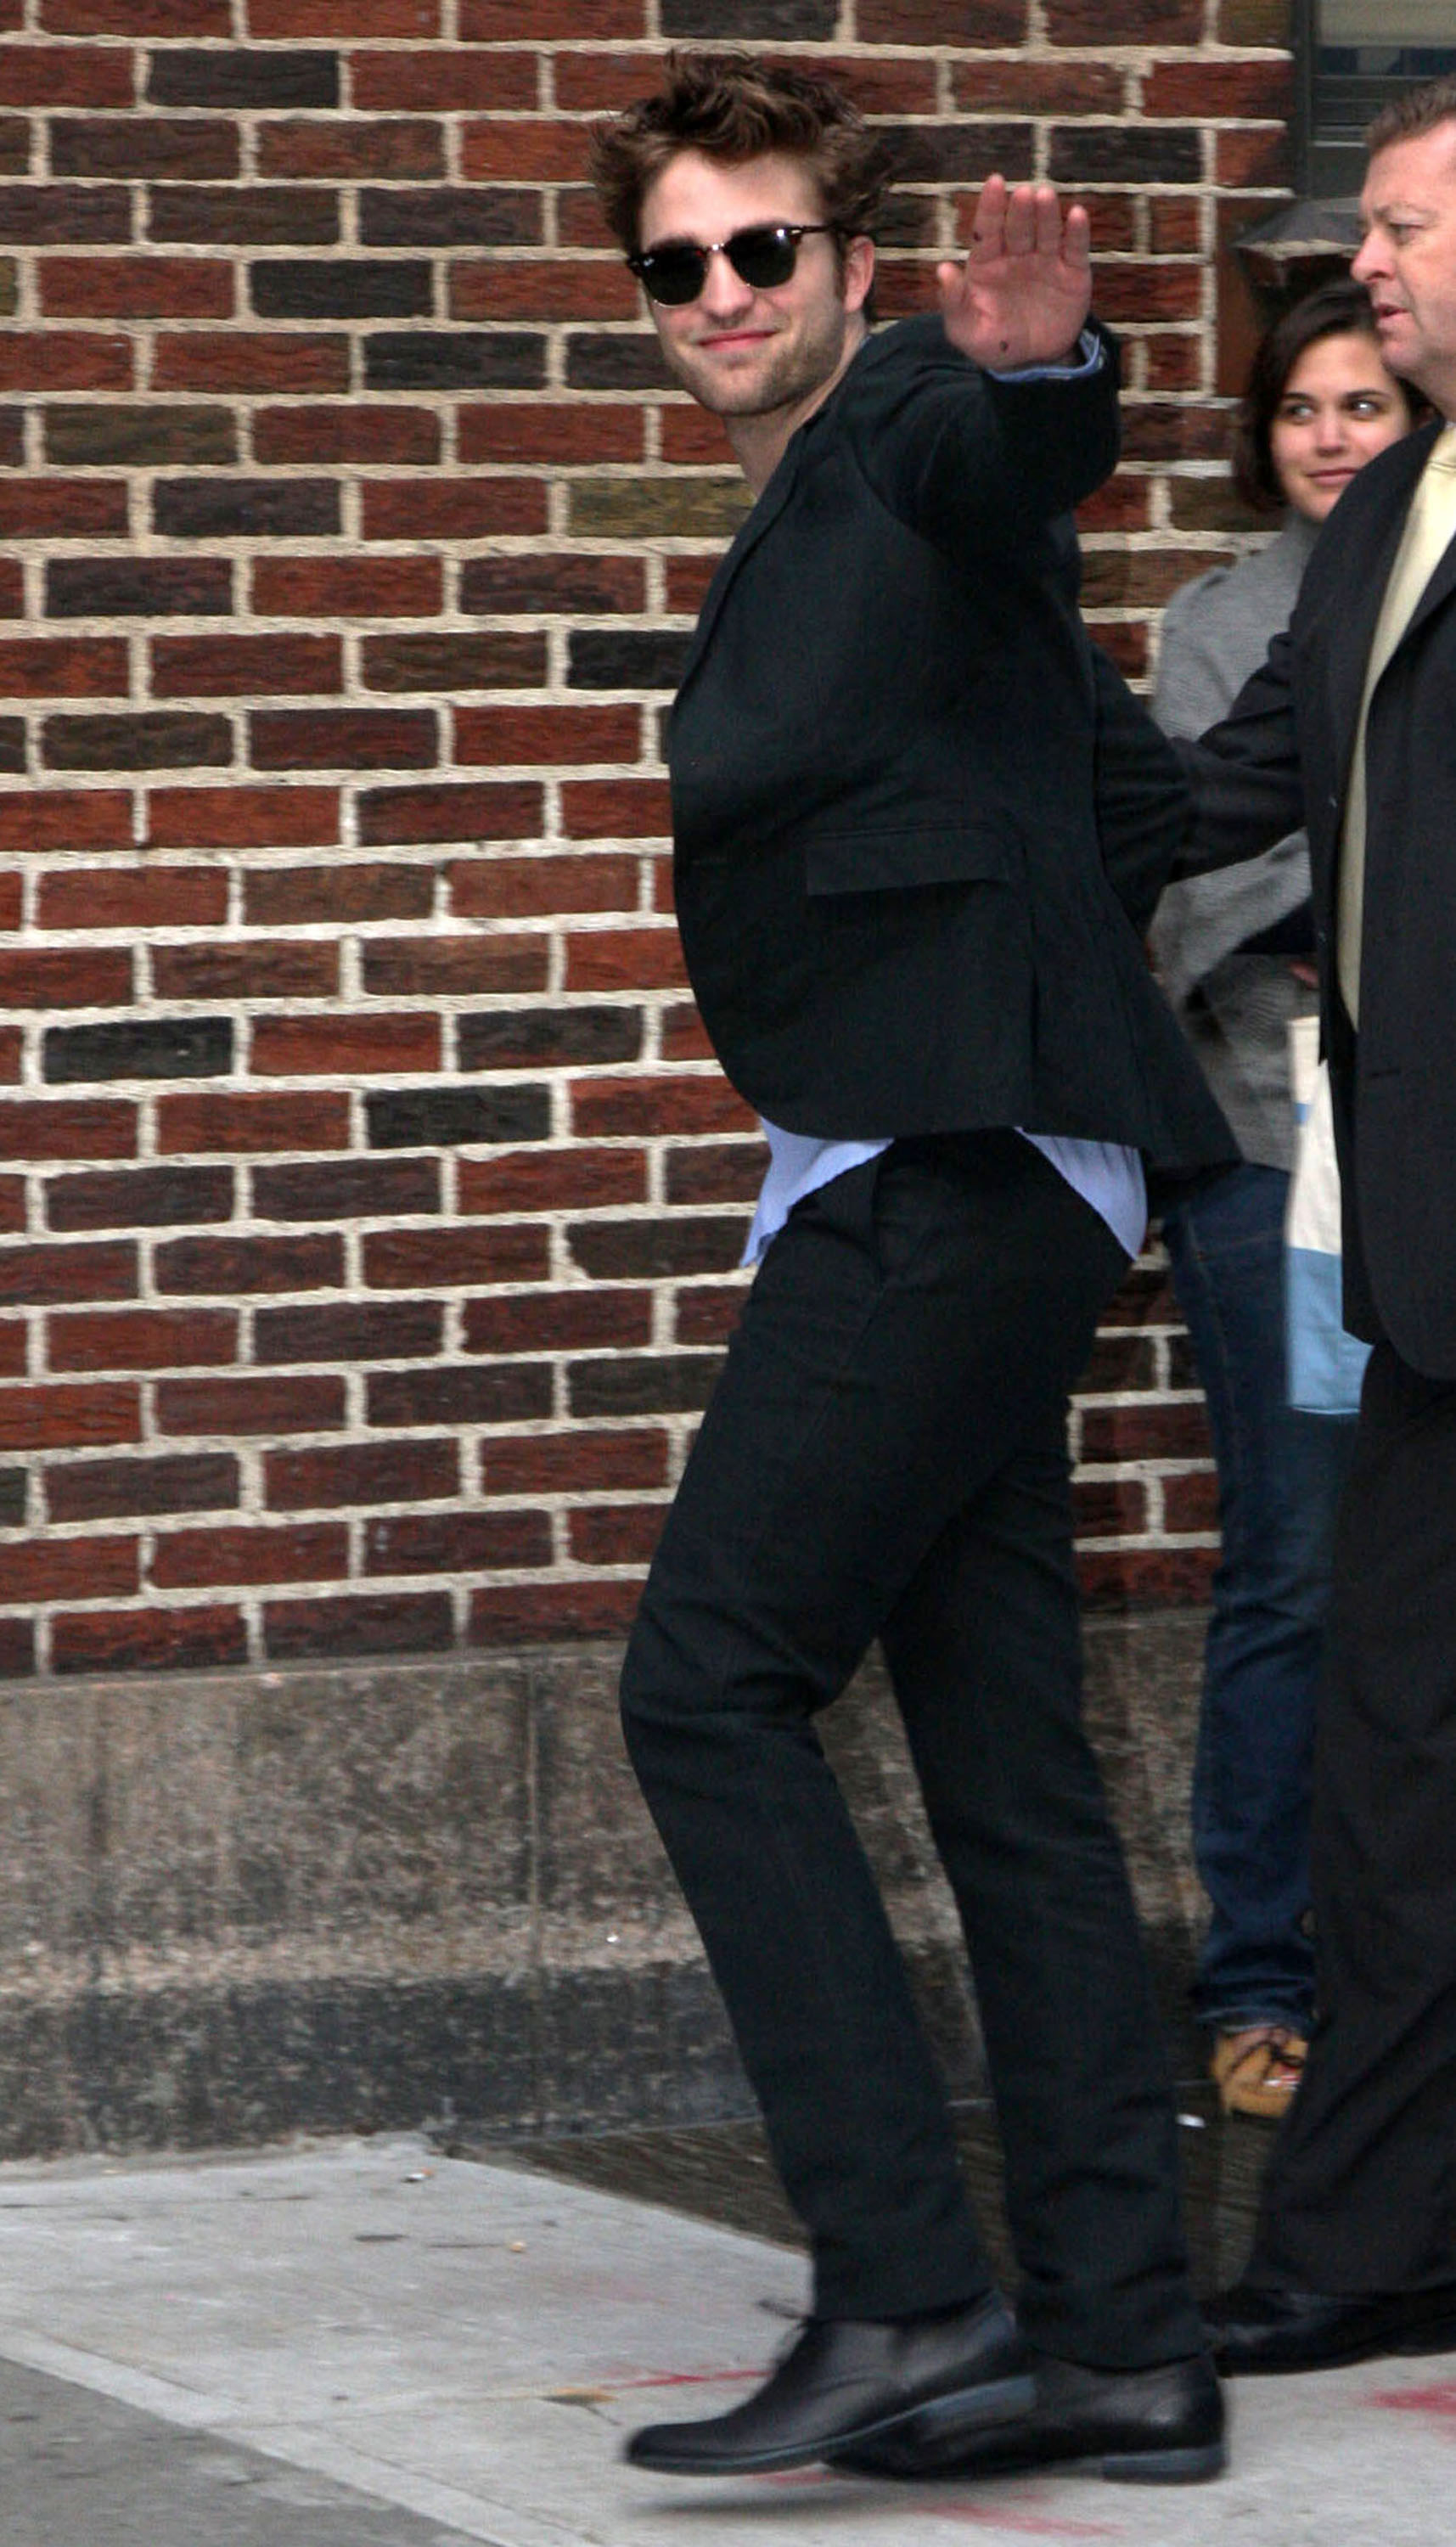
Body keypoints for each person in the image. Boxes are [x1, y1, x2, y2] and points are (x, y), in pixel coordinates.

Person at [587, 49, 1237, 2485]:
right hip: (976, 1155)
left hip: (946, 1171)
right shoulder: (828, 510)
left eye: (761, 247)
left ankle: (896, 2285)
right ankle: (1121, 2342)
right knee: (1004, 1763)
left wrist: (1047, 374)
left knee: (706, 1685)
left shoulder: (901, 438)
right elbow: (1137, 786)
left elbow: (1011, 451)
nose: (720, 292)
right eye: (676, 263)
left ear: (852, 266)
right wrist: (1049, 920)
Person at [1177, 75, 1456, 2373]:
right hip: (1423, 1266)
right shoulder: (1389, 521)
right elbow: (1218, 784)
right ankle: (1373, 2244)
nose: (1359, 264)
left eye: (1401, 227)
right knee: (1395, 1757)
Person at [1150, 283, 1416, 2122]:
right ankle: (1261, 1975)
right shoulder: (1219, 621)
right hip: (1269, 1145)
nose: (1330, 435)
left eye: (1364, 404)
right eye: (1301, 407)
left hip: (1432, 1144)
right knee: (1297, 1568)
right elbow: (1201, 883)